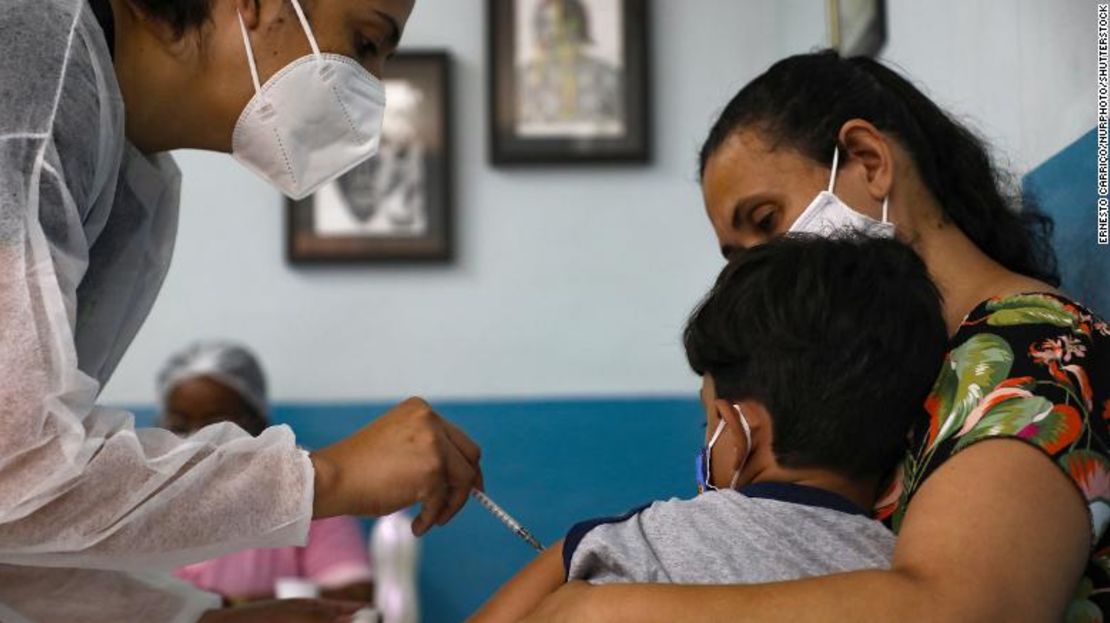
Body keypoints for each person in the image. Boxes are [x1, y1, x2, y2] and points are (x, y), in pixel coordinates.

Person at [522, 50, 1108, 622]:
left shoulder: (1038, 358)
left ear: (868, 159)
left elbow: (955, 608)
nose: (757, 269)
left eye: (767, 222)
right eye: (736, 257)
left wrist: (605, 607)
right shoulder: (889, 374)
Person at [0, 1, 484, 621]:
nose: (372, 89)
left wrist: (192, 618)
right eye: (364, 43)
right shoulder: (32, 89)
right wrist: (326, 476)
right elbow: (17, 469)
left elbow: (15, 518)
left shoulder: (126, 176)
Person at [472, 234, 949, 622]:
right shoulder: (901, 574)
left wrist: (571, 551)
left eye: (709, 422)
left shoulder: (643, 538)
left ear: (736, 430)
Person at [158, 341, 375, 605]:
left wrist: (230, 610)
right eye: (179, 425)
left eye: (218, 425)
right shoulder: (144, 491)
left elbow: (352, 595)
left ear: (259, 423)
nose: (197, 440)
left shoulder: (302, 482)